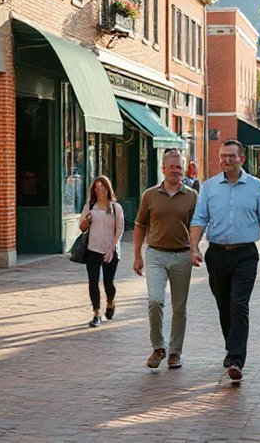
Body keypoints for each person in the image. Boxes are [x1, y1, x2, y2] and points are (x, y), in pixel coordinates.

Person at [190, 139, 260, 383]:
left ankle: (236, 358)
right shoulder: (208, 187)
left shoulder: (257, 187)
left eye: (232, 156)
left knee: (239, 304)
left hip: (245, 254)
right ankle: (232, 348)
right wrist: (194, 247)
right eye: (223, 156)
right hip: (216, 254)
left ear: (242, 159)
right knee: (224, 306)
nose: (227, 160)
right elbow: (199, 218)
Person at [134, 150, 198, 369]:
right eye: (171, 167)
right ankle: (158, 347)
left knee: (180, 307)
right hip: (155, 254)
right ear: (163, 169)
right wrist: (136, 256)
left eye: (178, 167)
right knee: (155, 300)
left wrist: (195, 249)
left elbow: (195, 227)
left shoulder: (191, 195)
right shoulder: (149, 195)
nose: (175, 171)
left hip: (182, 256)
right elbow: (140, 224)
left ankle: (175, 352)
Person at [79, 175, 124, 328]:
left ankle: (110, 302)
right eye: (97, 189)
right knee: (93, 281)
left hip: (110, 250)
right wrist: (87, 220)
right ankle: (96, 314)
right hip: (93, 249)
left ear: (108, 188)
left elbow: (120, 229)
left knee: (108, 282)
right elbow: (82, 227)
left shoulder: (115, 207)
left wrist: (112, 248)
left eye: (103, 188)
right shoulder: (90, 206)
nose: (100, 191)